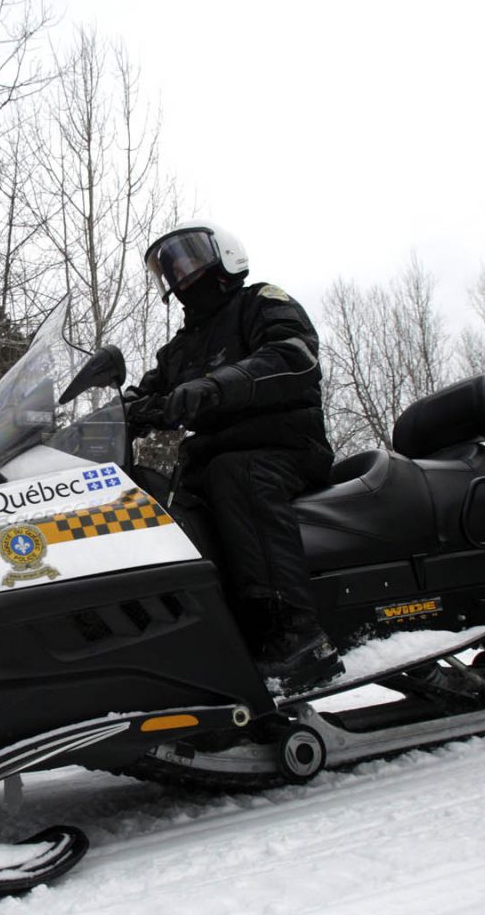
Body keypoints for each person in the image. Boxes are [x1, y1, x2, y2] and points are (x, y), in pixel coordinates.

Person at [128, 220, 342, 692]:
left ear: (223, 254)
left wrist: (214, 386)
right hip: (212, 466)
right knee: (166, 505)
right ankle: (206, 643)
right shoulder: (180, 349)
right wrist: (117, 411)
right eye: (170, 269)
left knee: (235, 472)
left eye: (187, 260)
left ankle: (294, 634)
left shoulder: (261, 303)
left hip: (285, 448)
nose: (181, 276)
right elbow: (147, 391)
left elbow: (294, 355)